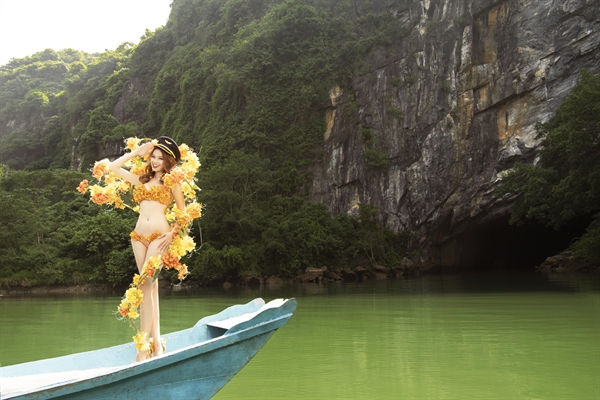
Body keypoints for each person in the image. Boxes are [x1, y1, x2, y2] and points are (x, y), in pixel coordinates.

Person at [108, 136, 184, 361]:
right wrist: (135, 152)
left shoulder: (172, 182)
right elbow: (113, 167)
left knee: (145, 286)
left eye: (161, 158)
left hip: (159, 238)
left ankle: (143, 348)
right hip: (138, 237)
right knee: (150, 289)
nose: (155, 161)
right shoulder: (141, 179)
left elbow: (183, 212)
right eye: (153, 156)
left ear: (168, 161)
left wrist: (172, 233)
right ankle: (157, 345)